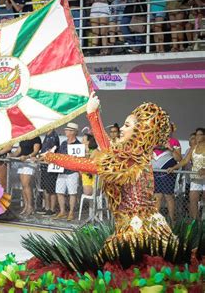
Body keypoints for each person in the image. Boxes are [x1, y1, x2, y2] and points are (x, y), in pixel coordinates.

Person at [43, 92, 177, 264]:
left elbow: (93, 166)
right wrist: (92, 112)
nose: (121, 128)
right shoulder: (134, 156)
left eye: (127, 125)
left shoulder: (131, 160)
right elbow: (106, 149)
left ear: (140, 132)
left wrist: (53, 157)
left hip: (137, 231)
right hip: (139, 225)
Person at [168, 128, 205, 220]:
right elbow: (185, 160)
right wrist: (173, 168)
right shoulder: (193, 148)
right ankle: (196, 222)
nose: (197, 137)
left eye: (200, 135)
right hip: (196, 177)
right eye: (196, 135)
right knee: (193, 199)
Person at [153, 123, 182, 222]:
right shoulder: (154, 141)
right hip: (155, 173)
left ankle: (171, 219)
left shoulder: (175, 142)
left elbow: (179, 158)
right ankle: (156, 220)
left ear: (172, 130)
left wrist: (171, 148)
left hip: (168, 174)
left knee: (168, 196)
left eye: (168, 129)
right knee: (157, 197)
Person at [53, 123, 81, 221]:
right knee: (59, 191)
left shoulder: (78, 145)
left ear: (73, 132)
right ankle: (62, 211)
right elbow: (59, 155)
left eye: (67, 130)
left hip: (72, 172)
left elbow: (79, 159)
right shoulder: (64, 143)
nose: (65, 131)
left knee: (72, 193)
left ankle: (71, 212)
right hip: (62, 171)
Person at [10, 137, 41, 216]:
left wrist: (27, 157)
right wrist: (10, 155)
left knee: (26, 185)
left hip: (29, 162)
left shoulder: (36, 138)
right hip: (22, 163)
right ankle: (26, 205)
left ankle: (30, 206)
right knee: (23, 186)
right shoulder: (23, 138)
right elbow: (18, 150)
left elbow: (36, 151)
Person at [37, 129, 60, 216]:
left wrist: (39, 158)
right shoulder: (47, 135)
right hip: (44, 167)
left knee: (51, 189)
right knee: (45, 188)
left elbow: (51, 152)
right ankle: (46, 207)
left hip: (50, 167)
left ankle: (52, 209)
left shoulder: (54, 136)